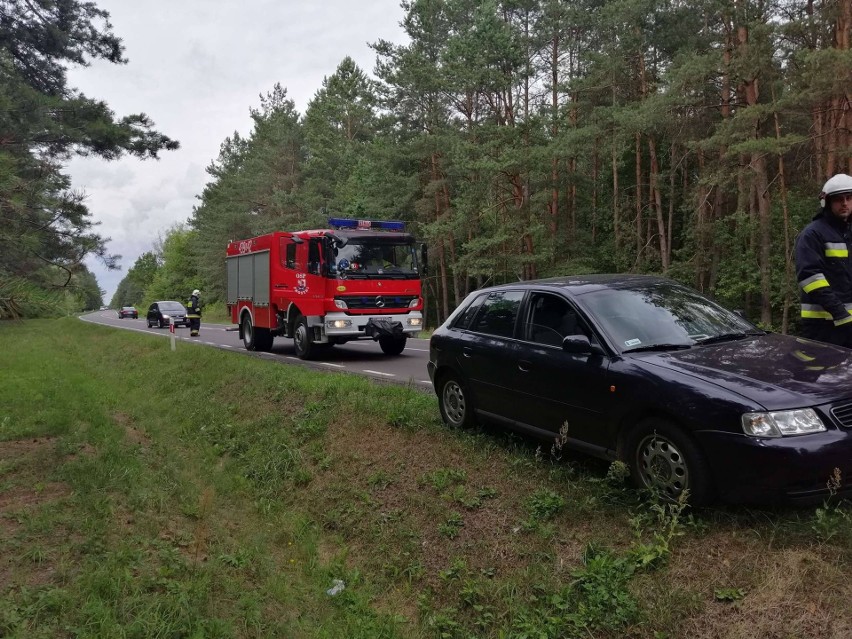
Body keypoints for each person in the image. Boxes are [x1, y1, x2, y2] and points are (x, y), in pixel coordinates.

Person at [795, 173, 852, 347]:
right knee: (815, 371)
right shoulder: (812, 234)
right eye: (838, 199)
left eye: (849, 198)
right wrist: (839, 312)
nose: (845, 203)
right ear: (826, 203)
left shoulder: (849, 233)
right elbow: (810, 278)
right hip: (822, 325)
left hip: (848, 325)